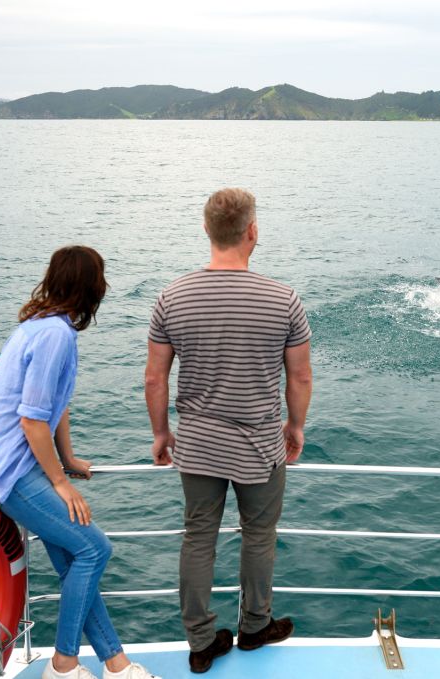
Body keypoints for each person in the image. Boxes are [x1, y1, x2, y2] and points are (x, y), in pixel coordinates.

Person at [0, 246, 160, 679]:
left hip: (15, 465)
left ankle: (116, 664)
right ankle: (63, 664)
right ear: (91, 287)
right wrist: (60, 480)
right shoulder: (55, 334)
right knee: (94, 548)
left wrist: (68, 457)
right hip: (11, 471)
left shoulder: (41, 326)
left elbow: (55, 406)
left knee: (76, 559)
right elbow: (32, 419)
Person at [144, 188, 313, 674]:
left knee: (198, 538)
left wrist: (161, 434)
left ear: (206, 230)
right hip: (261, 444)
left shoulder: (170, 297)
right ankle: (255, 625)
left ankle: (200, 641)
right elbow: (299, 377)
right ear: (252, 232)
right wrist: (295, 426)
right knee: (258, 537)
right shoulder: (284, 299)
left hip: (196, 445)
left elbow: (155, 377)